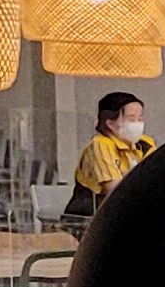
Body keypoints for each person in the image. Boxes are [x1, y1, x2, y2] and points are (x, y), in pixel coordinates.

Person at [63, 93, 151, 222]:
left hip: (128, 215)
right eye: (131, 119)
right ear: (110, 123)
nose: (138, 124)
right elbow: (114, 190)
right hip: (90, 220)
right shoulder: (100, 145)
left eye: (140, 118)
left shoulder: (145, 144)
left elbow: (156, 180)